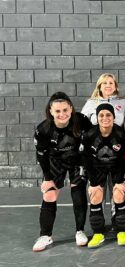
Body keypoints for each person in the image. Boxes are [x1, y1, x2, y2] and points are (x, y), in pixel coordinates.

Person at [33, 92, 93, 252]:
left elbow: (92, 140)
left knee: (78, 192)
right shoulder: (43, 130)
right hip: (55, 161)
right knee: (50, 194)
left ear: (71, 109)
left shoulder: (81, 121)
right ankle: (45, 235)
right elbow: (41, 155)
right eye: (57, 111)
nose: (62, 114)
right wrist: (47, 178)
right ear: (50, 111)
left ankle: (79, 231)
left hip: (77, 160)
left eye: (65, 110)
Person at [82, 104, 125, 248]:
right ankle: (98, 233)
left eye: (108, 115)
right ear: (97, 118)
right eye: (101, 115)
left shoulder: (120, 134)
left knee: (119, 194)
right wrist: (94, 182)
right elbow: (87, 160)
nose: (105, 118)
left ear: (114, 117)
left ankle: (121, 231)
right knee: (96, 195)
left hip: (117, 167)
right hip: (97, 168)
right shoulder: (90, 135)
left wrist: (120, 180)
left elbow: (124, 159)